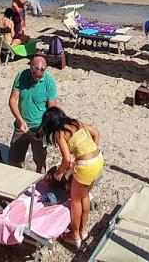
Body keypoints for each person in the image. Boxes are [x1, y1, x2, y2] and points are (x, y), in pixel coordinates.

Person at [39, 106, 103, 248]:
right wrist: (90, 152)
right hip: (98, 159)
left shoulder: (59, 133)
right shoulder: (76, 123)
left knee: (75, 201)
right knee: (85, 195)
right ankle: (83, 230)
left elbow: (66, 160)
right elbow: (96, 134)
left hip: (85, 165)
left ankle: (74, 235)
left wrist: (59, 173)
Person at [8, 55, 58, 173]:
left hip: (39, 128)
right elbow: (12, 100)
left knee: (40, 162)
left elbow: (52, 110)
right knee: (14, 160)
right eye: (34, 75)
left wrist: (45, 129)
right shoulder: (22, 75)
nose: (36, 78)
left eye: (39, 76)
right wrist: (20, 120)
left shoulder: (49, 82)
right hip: (21, 125)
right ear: (30, 68)